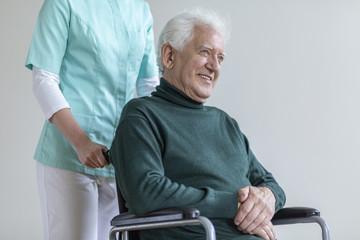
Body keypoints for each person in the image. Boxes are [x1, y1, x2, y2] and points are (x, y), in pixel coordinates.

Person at [110, 8, 286, 240]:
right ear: (169, 56)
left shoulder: (225, 123)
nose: (214, 66)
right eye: (205, 52)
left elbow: (268, 182)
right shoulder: (142, 116)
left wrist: (268, 198)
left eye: (220, 57)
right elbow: (146, 192)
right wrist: (233, 204)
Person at [25, 0, 159, 239]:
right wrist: (81, 142)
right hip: (68, 154)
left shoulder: (140, 9)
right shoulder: (63, 3)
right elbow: (43, 79)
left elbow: (149, 86)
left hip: (120, 163)